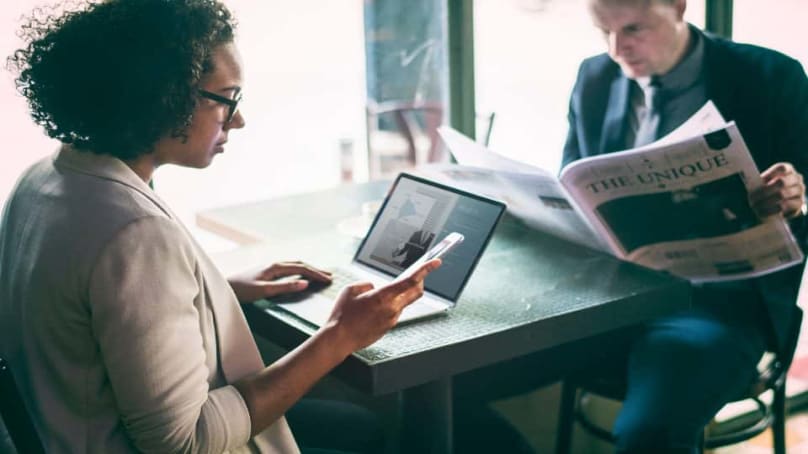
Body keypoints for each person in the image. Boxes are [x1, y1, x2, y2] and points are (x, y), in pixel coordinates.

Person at [0, 1, 440, 453]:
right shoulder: (135, 233)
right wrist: (341, 335)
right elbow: (184, 443)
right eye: (227, 99)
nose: (238, 119)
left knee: (352, 427)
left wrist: (212, 291)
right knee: (362, 432)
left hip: (62, 429)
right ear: (161, 97)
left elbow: (93, 306)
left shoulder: (45, 178)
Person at [561, 0, 808, 451]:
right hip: (608, 297)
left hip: (718, 303)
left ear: (677, 6)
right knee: (464, 373)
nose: (618, 49)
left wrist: (796, 191)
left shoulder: (772, 76)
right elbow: (573, 186)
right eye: (603, 32)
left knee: (650, 432)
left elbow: (804, 178)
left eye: (634, 28)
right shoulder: (593, 78)